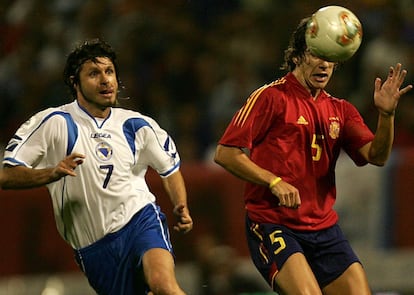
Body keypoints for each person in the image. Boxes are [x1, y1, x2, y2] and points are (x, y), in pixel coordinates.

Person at [213, 15, 412, 295]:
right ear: (296, 56)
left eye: (330, 58)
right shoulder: (270, 97)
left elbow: (376, 156)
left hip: (324, 229)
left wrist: (387, 115)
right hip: (274, 223)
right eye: (316, 54)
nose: (324, 64)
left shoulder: (341, 110)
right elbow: (225, 153)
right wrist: (274, 181)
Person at [0, 39, 193, 295]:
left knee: (163, 285)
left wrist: (181, 204)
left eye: (109, 72)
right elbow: (7, 175)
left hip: (139, 220)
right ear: (74, 82)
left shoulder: (138, 125)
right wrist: (52, 173)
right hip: (93, 248)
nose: (105, 80)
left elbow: (169, 169)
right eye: (94, 73)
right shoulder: (54, 122)